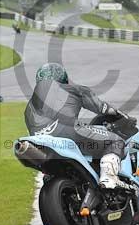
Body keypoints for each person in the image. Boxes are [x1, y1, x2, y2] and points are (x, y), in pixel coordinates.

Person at [25, 62, 127, 190]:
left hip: (40, 144)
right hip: (69, 133)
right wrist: (121, 115)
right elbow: (102, 108)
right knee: (116, 142)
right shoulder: (74, 90)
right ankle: (109, 178)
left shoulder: (29, 107)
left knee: (48, 172)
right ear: (63, 78)